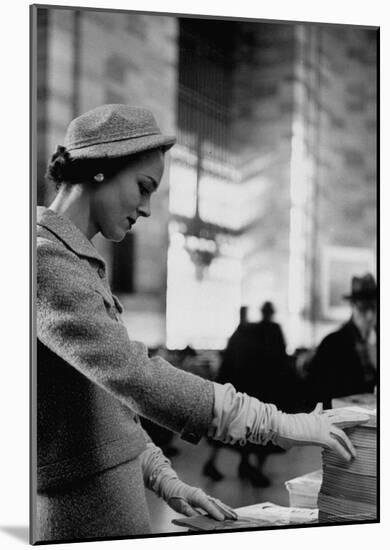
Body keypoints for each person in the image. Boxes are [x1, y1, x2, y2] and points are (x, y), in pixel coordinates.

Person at [35, 104, 365, 542]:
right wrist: (277, 423)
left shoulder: (76, 260)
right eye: (144, 186)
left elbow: (103, 402)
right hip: (79, 517)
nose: (148, 208)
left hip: (110, 504)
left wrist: (165, 478)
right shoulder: (44, 258)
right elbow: (135, 376)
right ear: (102, 169)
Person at [202, 304, 289, 487]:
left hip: (248, 386)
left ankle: (241, 465)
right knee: (256, 429)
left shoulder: (250, 330)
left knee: (240, 427)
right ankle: (250, 467)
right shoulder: (266, 330)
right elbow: (277, 359)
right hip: (259, 387)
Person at [307, 273, 377, 409]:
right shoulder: (333, 344)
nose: (369, 316)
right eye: (363, 308)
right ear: (353, 307)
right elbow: (318, 395)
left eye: (374, 308)